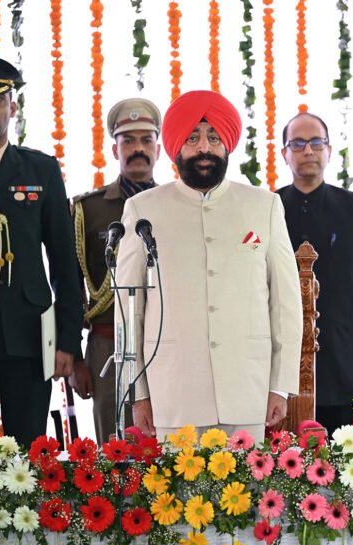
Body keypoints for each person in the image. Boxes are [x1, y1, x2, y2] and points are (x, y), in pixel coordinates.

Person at [115, 90, 302, 441]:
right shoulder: (143, 210)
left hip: (248, 389)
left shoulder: (264, 206)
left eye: (214, 137)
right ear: (175, 147)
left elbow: (286, 306)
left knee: (246, 495)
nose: (204, 147)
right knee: (176, 495)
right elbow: (130, 311)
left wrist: (280, 384)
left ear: (227, 145)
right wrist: (138, 392)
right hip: (172, 391)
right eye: (193, 137)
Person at [0, 56, 82, 447]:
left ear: (12, 107)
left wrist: (69, 340)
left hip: (28, 339)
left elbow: (64, 261)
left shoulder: (40, 170)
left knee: (29, 459)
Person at [277, 112, 353, 435]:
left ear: (329, 151)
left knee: (340, 460)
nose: (307, 151)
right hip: (281, 364)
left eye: (315, 142)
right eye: (297, 143)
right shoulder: (268, 207)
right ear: (285, 153)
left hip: (343, 359)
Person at [69, 97, 162, 442]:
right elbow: (70, 284)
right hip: (108, 346)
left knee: (167, 445)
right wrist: (76, 359)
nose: (137, 148)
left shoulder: (174, 204)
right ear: (114, 148)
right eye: (128, 141)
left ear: (158, 147)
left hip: (165, 341)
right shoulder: (88, 209)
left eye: (145, 140)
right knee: (114, 447)